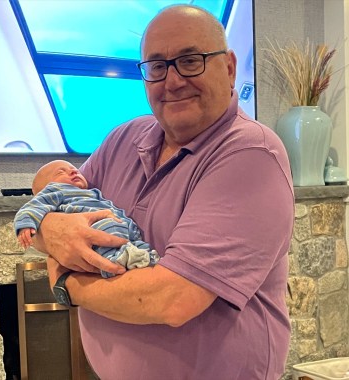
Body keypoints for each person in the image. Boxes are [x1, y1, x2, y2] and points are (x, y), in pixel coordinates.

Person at [34, 5, 293, 379]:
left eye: (190, 60)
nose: (172, 81)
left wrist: (63, 282)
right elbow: (54, 205)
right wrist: (50, 231)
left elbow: (172, 299)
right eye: (157, 66)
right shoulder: (124, 138)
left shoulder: (251, 154)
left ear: (230, 67)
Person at [14, 160, 159, 278]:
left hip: (121, 223)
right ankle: (113, 261)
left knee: (133, 236)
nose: (73, 171)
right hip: (94, 227)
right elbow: (32, 207)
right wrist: (25, 225)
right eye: (61, 172)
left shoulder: (91, 192)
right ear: (47, 187)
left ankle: (144, 256)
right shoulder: (56, 191)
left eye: (74, 168)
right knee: (108, 230)